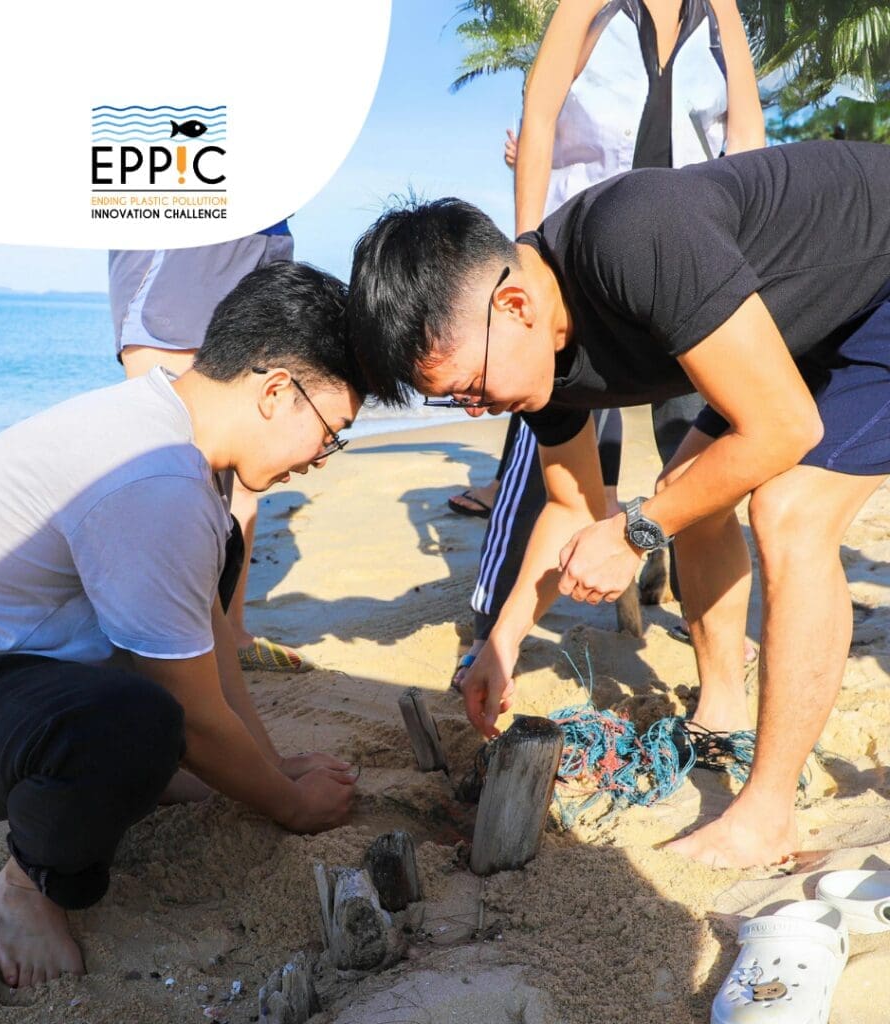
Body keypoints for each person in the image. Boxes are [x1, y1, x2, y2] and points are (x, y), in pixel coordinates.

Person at [347, 139, 890, 868]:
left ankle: (767, 815)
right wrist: (501, 644)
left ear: (512, 304)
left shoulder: (633, 236)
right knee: (691, 490)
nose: (474, 410)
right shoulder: (534, 359)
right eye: (454, 401)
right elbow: (571, 505)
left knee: (789, 512)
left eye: (470, 388)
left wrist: (636, 532)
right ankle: (723, 706)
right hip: (817, 319)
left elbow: (785, 427)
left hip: (878, 284)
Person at [0, 262, 364, 988]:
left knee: (212, 570)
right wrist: (289, 806)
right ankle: (28, 884)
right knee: (141, 725)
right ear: (276, 391)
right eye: (331, 433)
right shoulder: (157, 476)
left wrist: (269, 764)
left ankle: (117, 780)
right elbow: (193, 716)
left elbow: (210, 640)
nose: (321, 459)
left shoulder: (180, 430)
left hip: (18, 672)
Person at [451, 0, 764, 685]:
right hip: (583, 265)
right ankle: (493, 627)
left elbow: (745, 132)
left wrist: (746, 251)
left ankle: (704, 616)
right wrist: (528, 248)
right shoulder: (587, 3)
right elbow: (539, 118)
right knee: (563, 453)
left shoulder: (721, 11)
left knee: (700, 452)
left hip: (688, 265)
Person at [109, 223, 312, 671]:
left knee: (251, 448)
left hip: (266, 228)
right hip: (185, 219)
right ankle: (155, 640)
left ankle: (231, 632)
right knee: (165, 450)